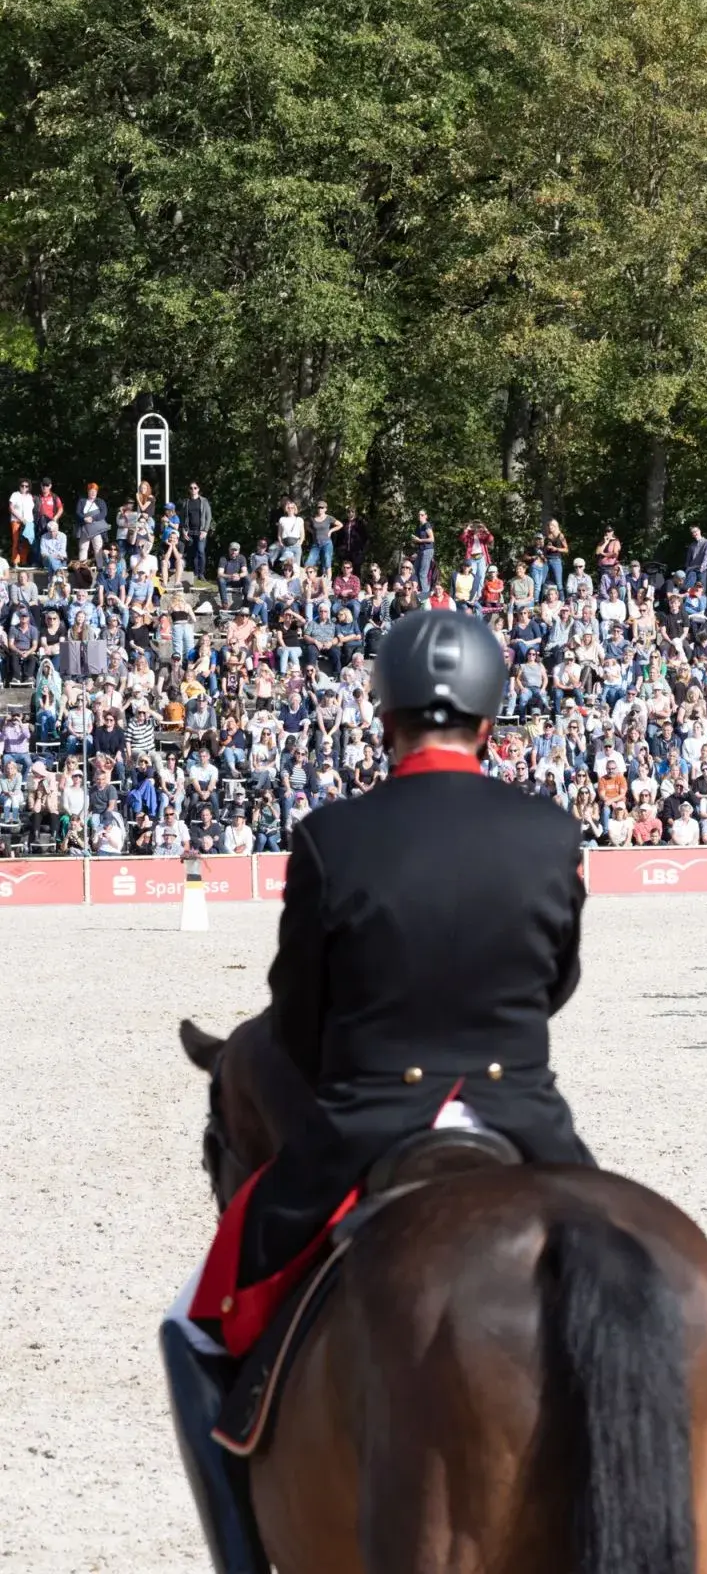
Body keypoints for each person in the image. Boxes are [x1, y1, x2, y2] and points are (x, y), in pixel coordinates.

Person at [160, 607, 594, 1574]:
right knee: (624, 1269)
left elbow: (299, 1020)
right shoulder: (548, 830)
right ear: (491, 721)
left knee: (191, 1323)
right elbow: (556, 982)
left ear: (381, 716)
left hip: (368, 1119)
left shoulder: (330, 838)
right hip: (527, 1115)